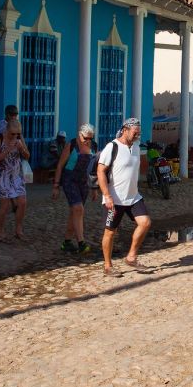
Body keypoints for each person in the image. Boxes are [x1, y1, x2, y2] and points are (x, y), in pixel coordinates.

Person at [97, 118, 151, 277]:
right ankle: (108, 266)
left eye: (139, 134)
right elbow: (100, 171)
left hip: (133, 197)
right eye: (135, 133)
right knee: (110, 232)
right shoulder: (112, 147)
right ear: (125, 129)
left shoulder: (135, 147)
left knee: (145, 222)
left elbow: (141, 168)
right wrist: (107, 196)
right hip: (115, 198)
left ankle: (131, 257)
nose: (137, 136)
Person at [52, 124, 98, 254]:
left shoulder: (93, 146)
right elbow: (60, 165)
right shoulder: (71, 145)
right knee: (78, 209)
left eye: (90, 138)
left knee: (75, 212)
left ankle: (66, 242)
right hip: (69, 180)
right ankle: (81, 243)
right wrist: (56, 185)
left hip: (83, 183)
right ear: (79, 134)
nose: (88, 141)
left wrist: (94, 188)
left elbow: (93, 169)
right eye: (85, 138)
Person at [0, 119, 30, 242]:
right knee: (5, 205)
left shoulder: (19, 139)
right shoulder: (0, 138)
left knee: (23, 202)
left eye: (17, 133)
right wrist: (7, 150)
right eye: (12, 134)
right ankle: (0, 232)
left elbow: (27, 156)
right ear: (7, 130)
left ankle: (19, 230)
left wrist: (21, 149)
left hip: (17, 175)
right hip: (4, 176)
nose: (15, 136)